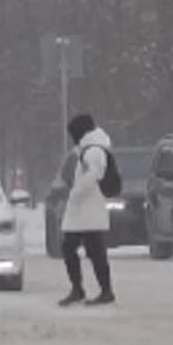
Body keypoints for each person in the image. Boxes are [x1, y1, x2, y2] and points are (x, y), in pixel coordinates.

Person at [58, 113, 116, 307]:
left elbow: (92, 176)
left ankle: (87, 290)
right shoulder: (94, 148)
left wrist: (76, 195)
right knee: (92, 250)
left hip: (86, 210)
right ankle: (98, 290)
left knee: (77, 249)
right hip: (88, 211)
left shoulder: (92, 151)